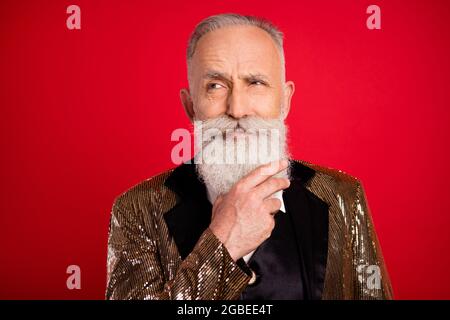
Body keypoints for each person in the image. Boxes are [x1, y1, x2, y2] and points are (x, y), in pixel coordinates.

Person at [105, 13, 393, 300]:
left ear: (285, 101)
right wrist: (222, 245)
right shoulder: (137, 208)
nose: (238, 109)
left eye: (255, 83)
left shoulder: (342, 197)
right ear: (190, 107)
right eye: (215, 86)